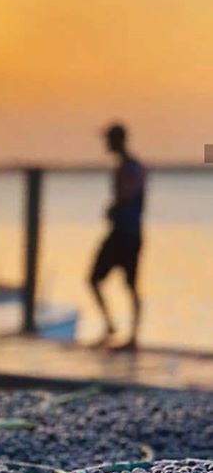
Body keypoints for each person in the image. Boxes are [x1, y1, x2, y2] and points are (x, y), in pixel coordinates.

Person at [89, 123, 146, 351]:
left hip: (128, 235)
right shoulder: (124, 167)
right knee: (94, 279)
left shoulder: (133, 167)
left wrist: (114, 207)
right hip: (119, 233)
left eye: (109, 139)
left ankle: (132, 337)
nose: (106, 144)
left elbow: (128, 195)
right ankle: (110, 326)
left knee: (131, 286)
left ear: (118, 140)